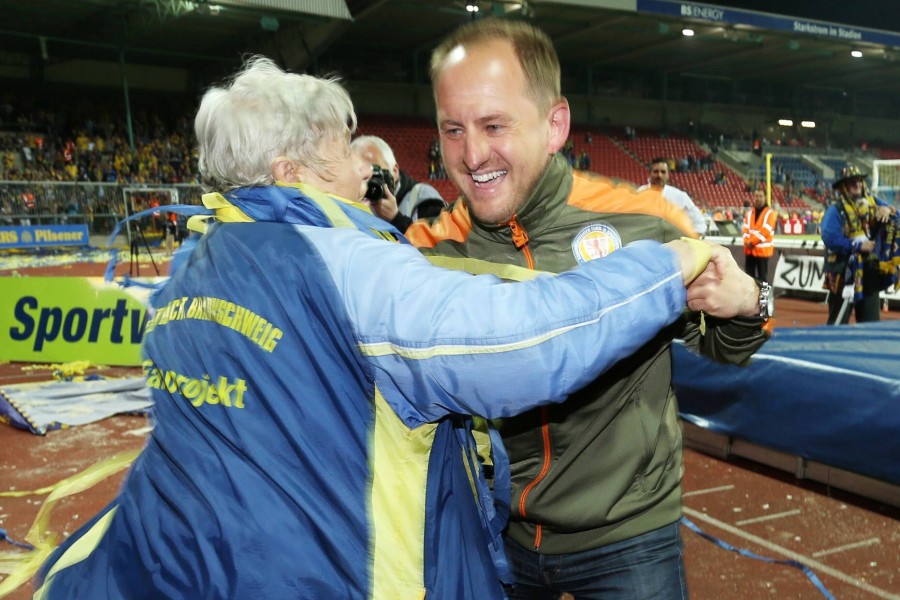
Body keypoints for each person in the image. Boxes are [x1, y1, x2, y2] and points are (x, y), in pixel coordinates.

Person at [33, 56, 720, 599]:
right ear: (289, 171)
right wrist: (674, 262)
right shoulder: (346, 264)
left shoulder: (193, 263)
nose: (364, 164)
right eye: (340, 148)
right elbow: (525, 344)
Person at [406, 18, 772, 600]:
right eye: (453, 129)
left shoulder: (644, 223)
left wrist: (752, 300)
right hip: (492, 533)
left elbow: (727, 344)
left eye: (494, 124)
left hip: (630, 540)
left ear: (555, 126)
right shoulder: (427, 251)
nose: (472, 154)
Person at [821, 166, 900, 325]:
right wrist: (857, 246)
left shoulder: (875, 203)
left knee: (871, 325)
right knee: (837, 324)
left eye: (859, 181)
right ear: (843, 187)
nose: (856, 184)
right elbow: (830, 237)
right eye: (851, 182)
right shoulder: (836, 210)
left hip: (869, 273)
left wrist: (888, 209)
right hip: (843, 273)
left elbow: (897, 216)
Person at [351, 134, 447, 232]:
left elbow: (439, 243)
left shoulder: (423, 197)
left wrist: (396, 218)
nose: (370, 183)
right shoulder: (349, 200)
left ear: (395, 171)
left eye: (375, 172)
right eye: (361, 175)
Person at [637, 157, 707, 236]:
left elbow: (699, 222)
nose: (659, 175)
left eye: (663, 172)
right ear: (650, 173)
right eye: (656, 171)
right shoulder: (640, 193)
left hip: (672, 242)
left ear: (668, 175)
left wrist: (693, 237)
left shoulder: (680, 196)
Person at [742, 187, 778, 282]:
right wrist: (747, 242)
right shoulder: (749, 213)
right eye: (756, 196)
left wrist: (751, 242)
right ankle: (751, 297)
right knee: (749, 278)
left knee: (763, 278)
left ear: (765, 197)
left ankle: (764, 297)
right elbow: (745, 229)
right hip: (750, 251)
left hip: (762, 251)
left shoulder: (770, 213)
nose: (757, 198)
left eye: (760, 196)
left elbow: (766, 230)